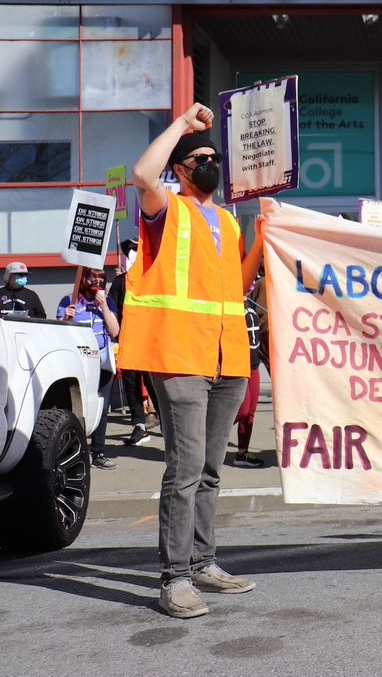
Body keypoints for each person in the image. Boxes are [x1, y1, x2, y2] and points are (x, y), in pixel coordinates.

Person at [121, 102, 264, 620]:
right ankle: (174, 578)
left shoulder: (227, 219)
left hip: (228, 359)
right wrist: (183, 124)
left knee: (208, 470)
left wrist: (267, 234)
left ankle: (203, 562)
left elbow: (237, 287)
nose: (210, 163)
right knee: (183, 471)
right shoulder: (167, 208)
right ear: (179, 170)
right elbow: (140, 173)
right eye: (199, 158)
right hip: (180, 355)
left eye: (213, 156)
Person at [57, 268, 120, 469]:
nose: (98, 284)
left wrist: (104, 308)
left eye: (101, 280)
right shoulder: (69, 300)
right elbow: (60, 331)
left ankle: (98, 452)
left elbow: (115, 330)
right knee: (76, 406)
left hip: (102, 361)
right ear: (84, 280)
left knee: (102, 407)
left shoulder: (107, 301)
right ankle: (73, 452)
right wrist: (66, 318)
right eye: (93, 279)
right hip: (79, 360)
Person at [109, 239, 160, 446]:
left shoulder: (153, 280)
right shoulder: (120, 282)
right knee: (131, 384)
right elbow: (112, 308)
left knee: (153, 382)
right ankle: (139, 425)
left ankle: (165, 421)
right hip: (128, 340)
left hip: (149, 341)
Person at [232, 280, 267, 468]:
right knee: (241, 410)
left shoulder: (250, 303)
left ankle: (241, 454)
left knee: (250, 413)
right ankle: (207, 437)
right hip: (239, 367)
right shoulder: (231, 305)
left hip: (254, 366)